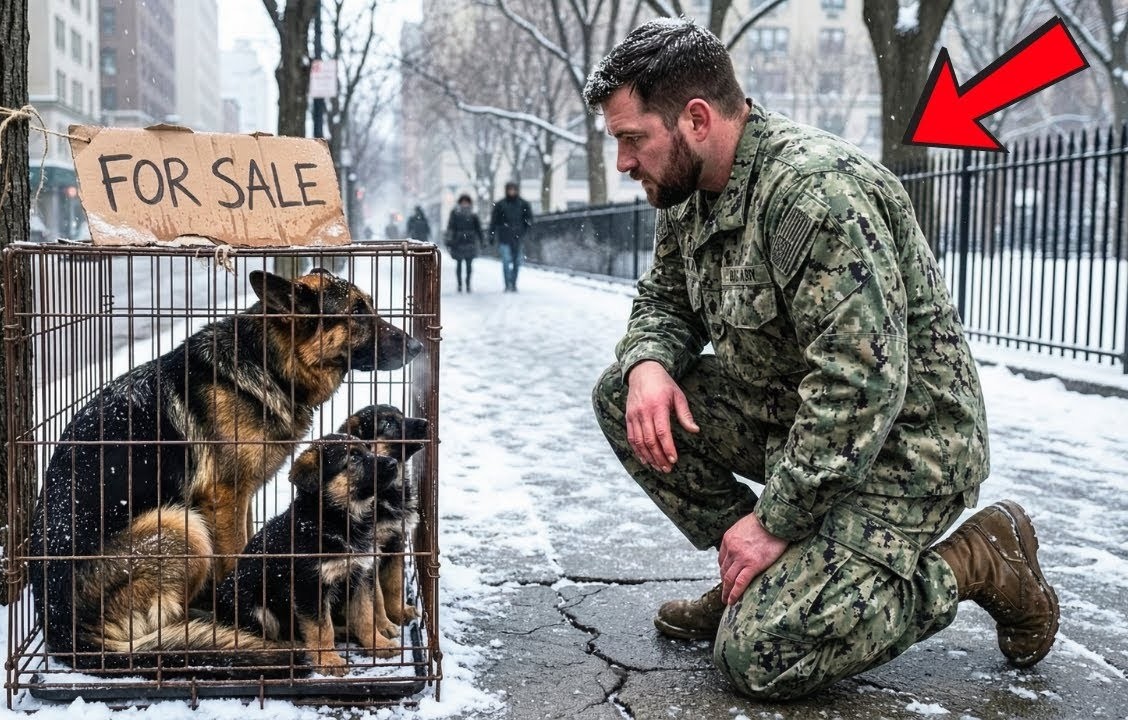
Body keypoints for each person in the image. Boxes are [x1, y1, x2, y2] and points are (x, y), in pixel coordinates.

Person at [584, 18, 1058, 700]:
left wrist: (776, 520)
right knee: (621, 395)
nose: (624, 162)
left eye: (632, 139)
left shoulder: (813, 196)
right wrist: (648, 364)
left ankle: (981, 560)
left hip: (905, 445)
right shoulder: (688, 191)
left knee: (762, 657)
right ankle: (750, 576)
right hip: (795, 420)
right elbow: (664, 298)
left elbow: (860, 387)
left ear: (695, 119)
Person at [488, 181, 532, 292]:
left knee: (517, 262)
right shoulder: (500, 205)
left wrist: (524, 231)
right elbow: (494, 221)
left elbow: (529, 220)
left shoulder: (523, 204)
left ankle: (513, 282)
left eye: (513, 189)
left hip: (518, 237)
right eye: (510, 189)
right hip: (504, 237)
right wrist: (491, 235)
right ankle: (508, 284)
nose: (512, 191)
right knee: (506, 261)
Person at [444, 194, 483, 293]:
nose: (465, 204)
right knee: (459, 264)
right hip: (458, 242)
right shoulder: (455, 213)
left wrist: (482, 240)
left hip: (469, 242)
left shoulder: (473, 214)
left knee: (469, 265)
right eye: (463, 202)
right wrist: (449, 239)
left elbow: (478, 229)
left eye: (466, 202)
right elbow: (451, 227)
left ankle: (468, 283)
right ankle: (460, 284)